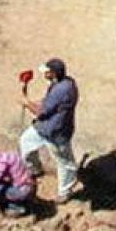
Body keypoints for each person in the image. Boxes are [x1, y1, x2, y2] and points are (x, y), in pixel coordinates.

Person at [19, 58, 80, 203]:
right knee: (25, 141)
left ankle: (65, 191)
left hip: (56, 132)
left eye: (46, 72)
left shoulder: (62, 90)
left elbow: (42, 112)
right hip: (44, 127)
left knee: (65, 163)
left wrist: (27, 103)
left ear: (53, 73)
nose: (44, 74)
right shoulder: (61, 83)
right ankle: (34, 169)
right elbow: (48, 102)